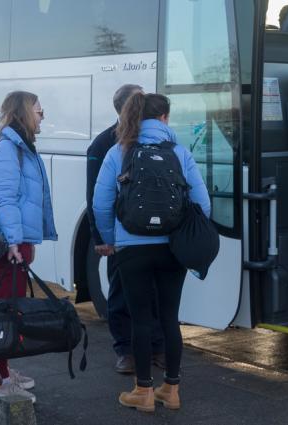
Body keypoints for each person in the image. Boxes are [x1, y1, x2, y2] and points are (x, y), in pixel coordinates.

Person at [93, 93, 211, 412]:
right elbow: (203, 204)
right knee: (169, 318)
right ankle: (171, 390)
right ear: (164, 119)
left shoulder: (118, 152)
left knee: (140, 319)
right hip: (172, 248)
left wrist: (110, 239)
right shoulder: (180, 153)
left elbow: (101, 204)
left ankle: (143, 391)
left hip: (132, 248)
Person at [86, 84, 166, 375]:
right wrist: (101, 238)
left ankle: (157, 349)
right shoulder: (103, 144)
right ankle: (125, 351)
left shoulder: (152, 138)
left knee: (154, 293)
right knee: (119, 293)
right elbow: (95, 197)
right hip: (123, 236)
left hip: (151, 233)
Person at [0, 91, 57, 404]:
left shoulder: (21, 148)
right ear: (25, 112)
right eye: (40, 111)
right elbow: (5, 199)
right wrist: (15, 241)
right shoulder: (7, 150)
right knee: (2, 311)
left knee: (8, 309)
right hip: (8, 245)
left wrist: (27, 240)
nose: (43, 116)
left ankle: (2, 370)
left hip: (17, 243)